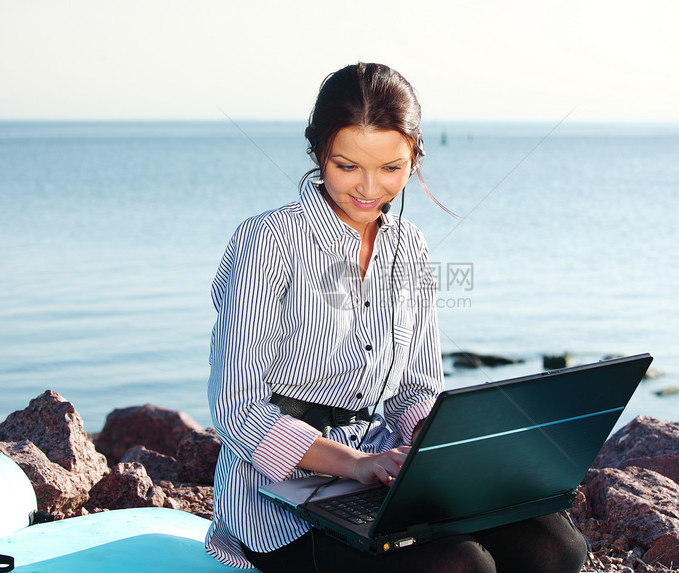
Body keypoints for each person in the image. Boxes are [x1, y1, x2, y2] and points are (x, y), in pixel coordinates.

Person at [205, 62, 588, 573]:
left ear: (415, 156)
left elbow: (413, 390)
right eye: (347, 166)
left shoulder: (409, 248)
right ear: (319, 152)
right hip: (278, 500)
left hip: (386, 473)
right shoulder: (269, 242)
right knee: (460, 567)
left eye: (391, 168)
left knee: (557, 548)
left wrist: (443, 448)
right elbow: (236, 408)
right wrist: (356, 465)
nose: (368, 188)